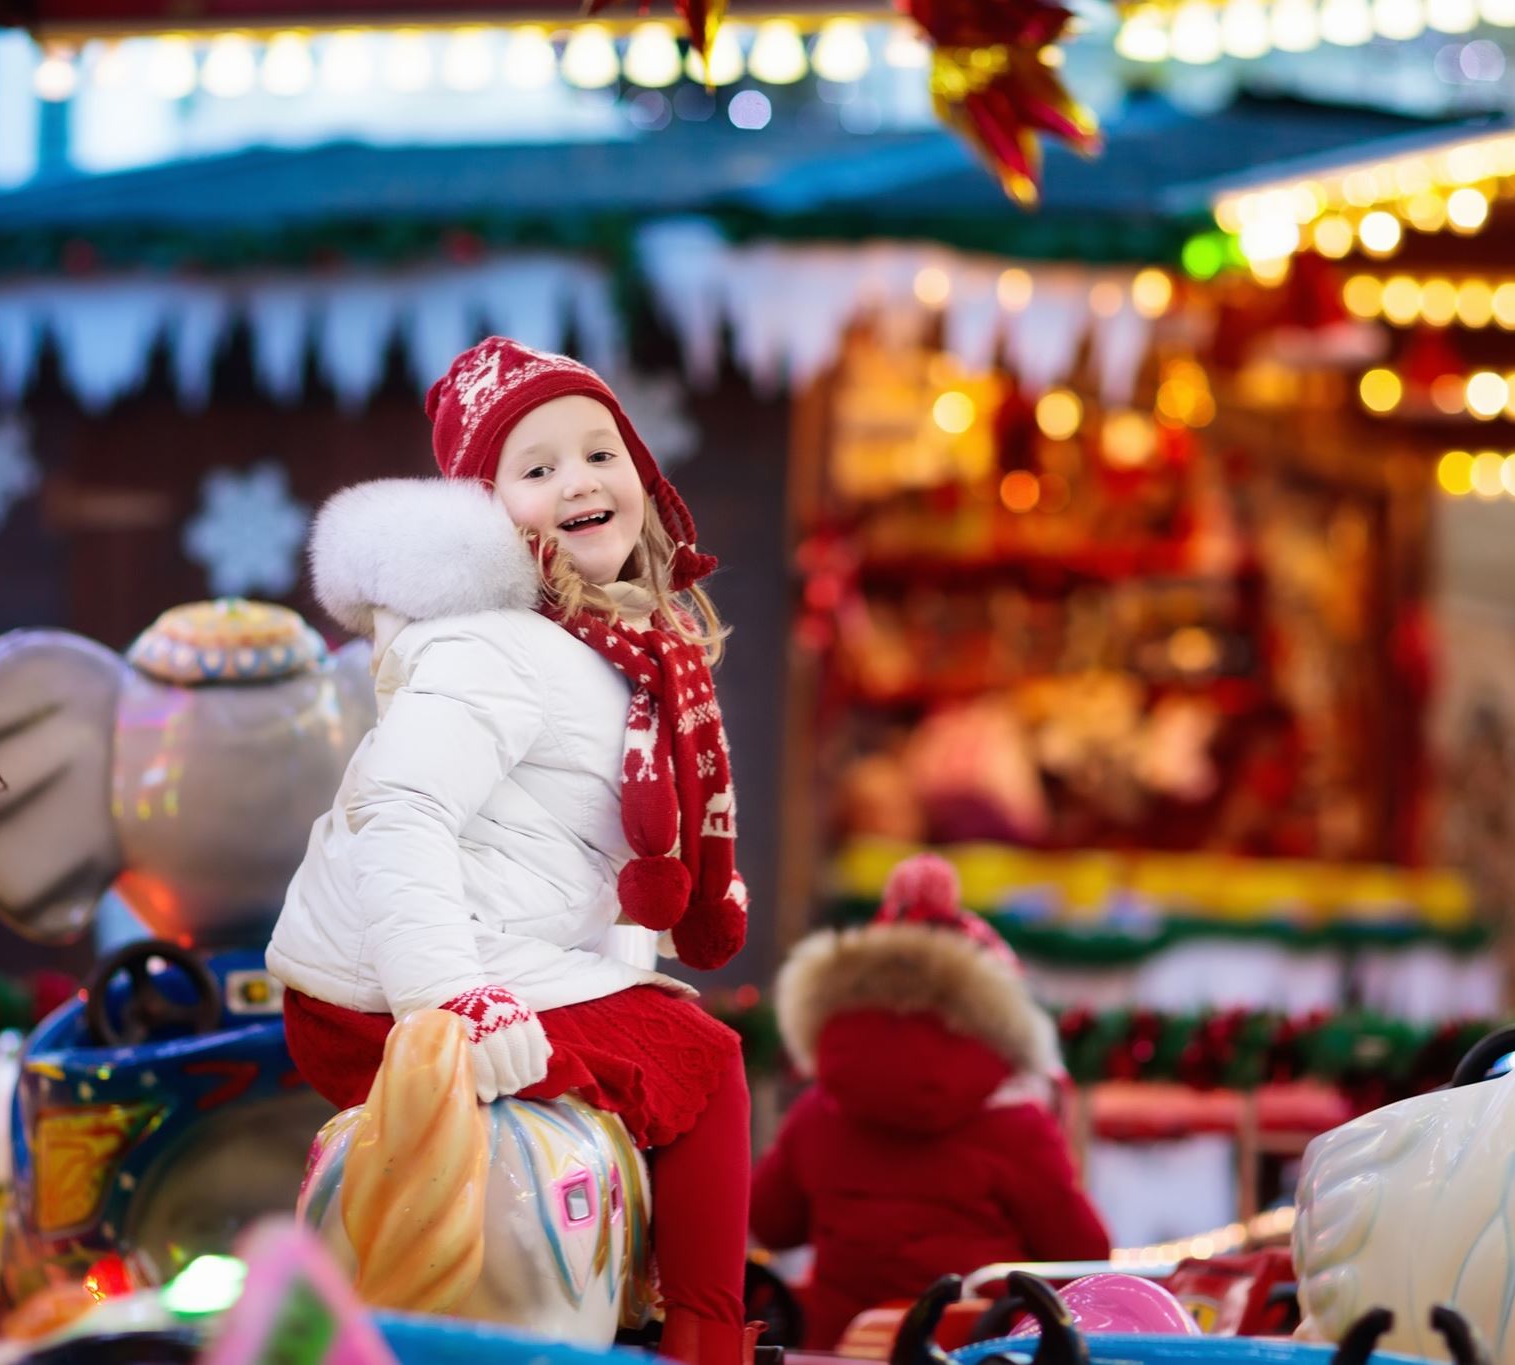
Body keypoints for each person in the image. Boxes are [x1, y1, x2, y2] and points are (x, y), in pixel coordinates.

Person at [266, 337, 756, 1364]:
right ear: (487, 513)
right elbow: (400, 812)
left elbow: (578, 875)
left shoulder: (620, 650)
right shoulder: (491, 647)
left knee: (664, 1031)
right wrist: (451, 997)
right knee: (705, 1066)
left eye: (598, 453)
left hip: (461, 953)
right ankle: (705, 1335)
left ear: (641, 474)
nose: (577, 481)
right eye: (535, 469)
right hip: (392, 988)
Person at [750, 855, 1111, 1350]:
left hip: (842, 1351)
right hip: (975, 1350)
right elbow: (1081, 1254)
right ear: (992, 1012)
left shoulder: (817, 1111)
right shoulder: (1016, 1124)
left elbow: (770, 1223)